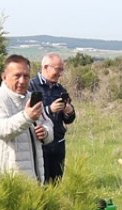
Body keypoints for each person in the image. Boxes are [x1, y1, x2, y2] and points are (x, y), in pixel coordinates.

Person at [0, 54, 54, 184]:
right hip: (7, 184)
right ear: (4, 77)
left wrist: (45, 132)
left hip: (34, 180)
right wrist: (27, 117)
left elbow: (47, 123)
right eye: (17, 76)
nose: (22, 81)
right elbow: (1, 130)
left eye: (26, 76)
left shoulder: (31, 98)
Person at [28, 53, 76, 182]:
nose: (60, 73)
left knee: (56, 184)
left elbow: (69, 120)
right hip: (40, 145)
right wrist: (49, 110)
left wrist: (69, 111)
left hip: (58, 144)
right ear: (46, 67)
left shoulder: (61, 89)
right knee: (39, 184)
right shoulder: (30, 87)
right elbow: (28, 115)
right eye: (57, 69)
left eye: (62, 70)